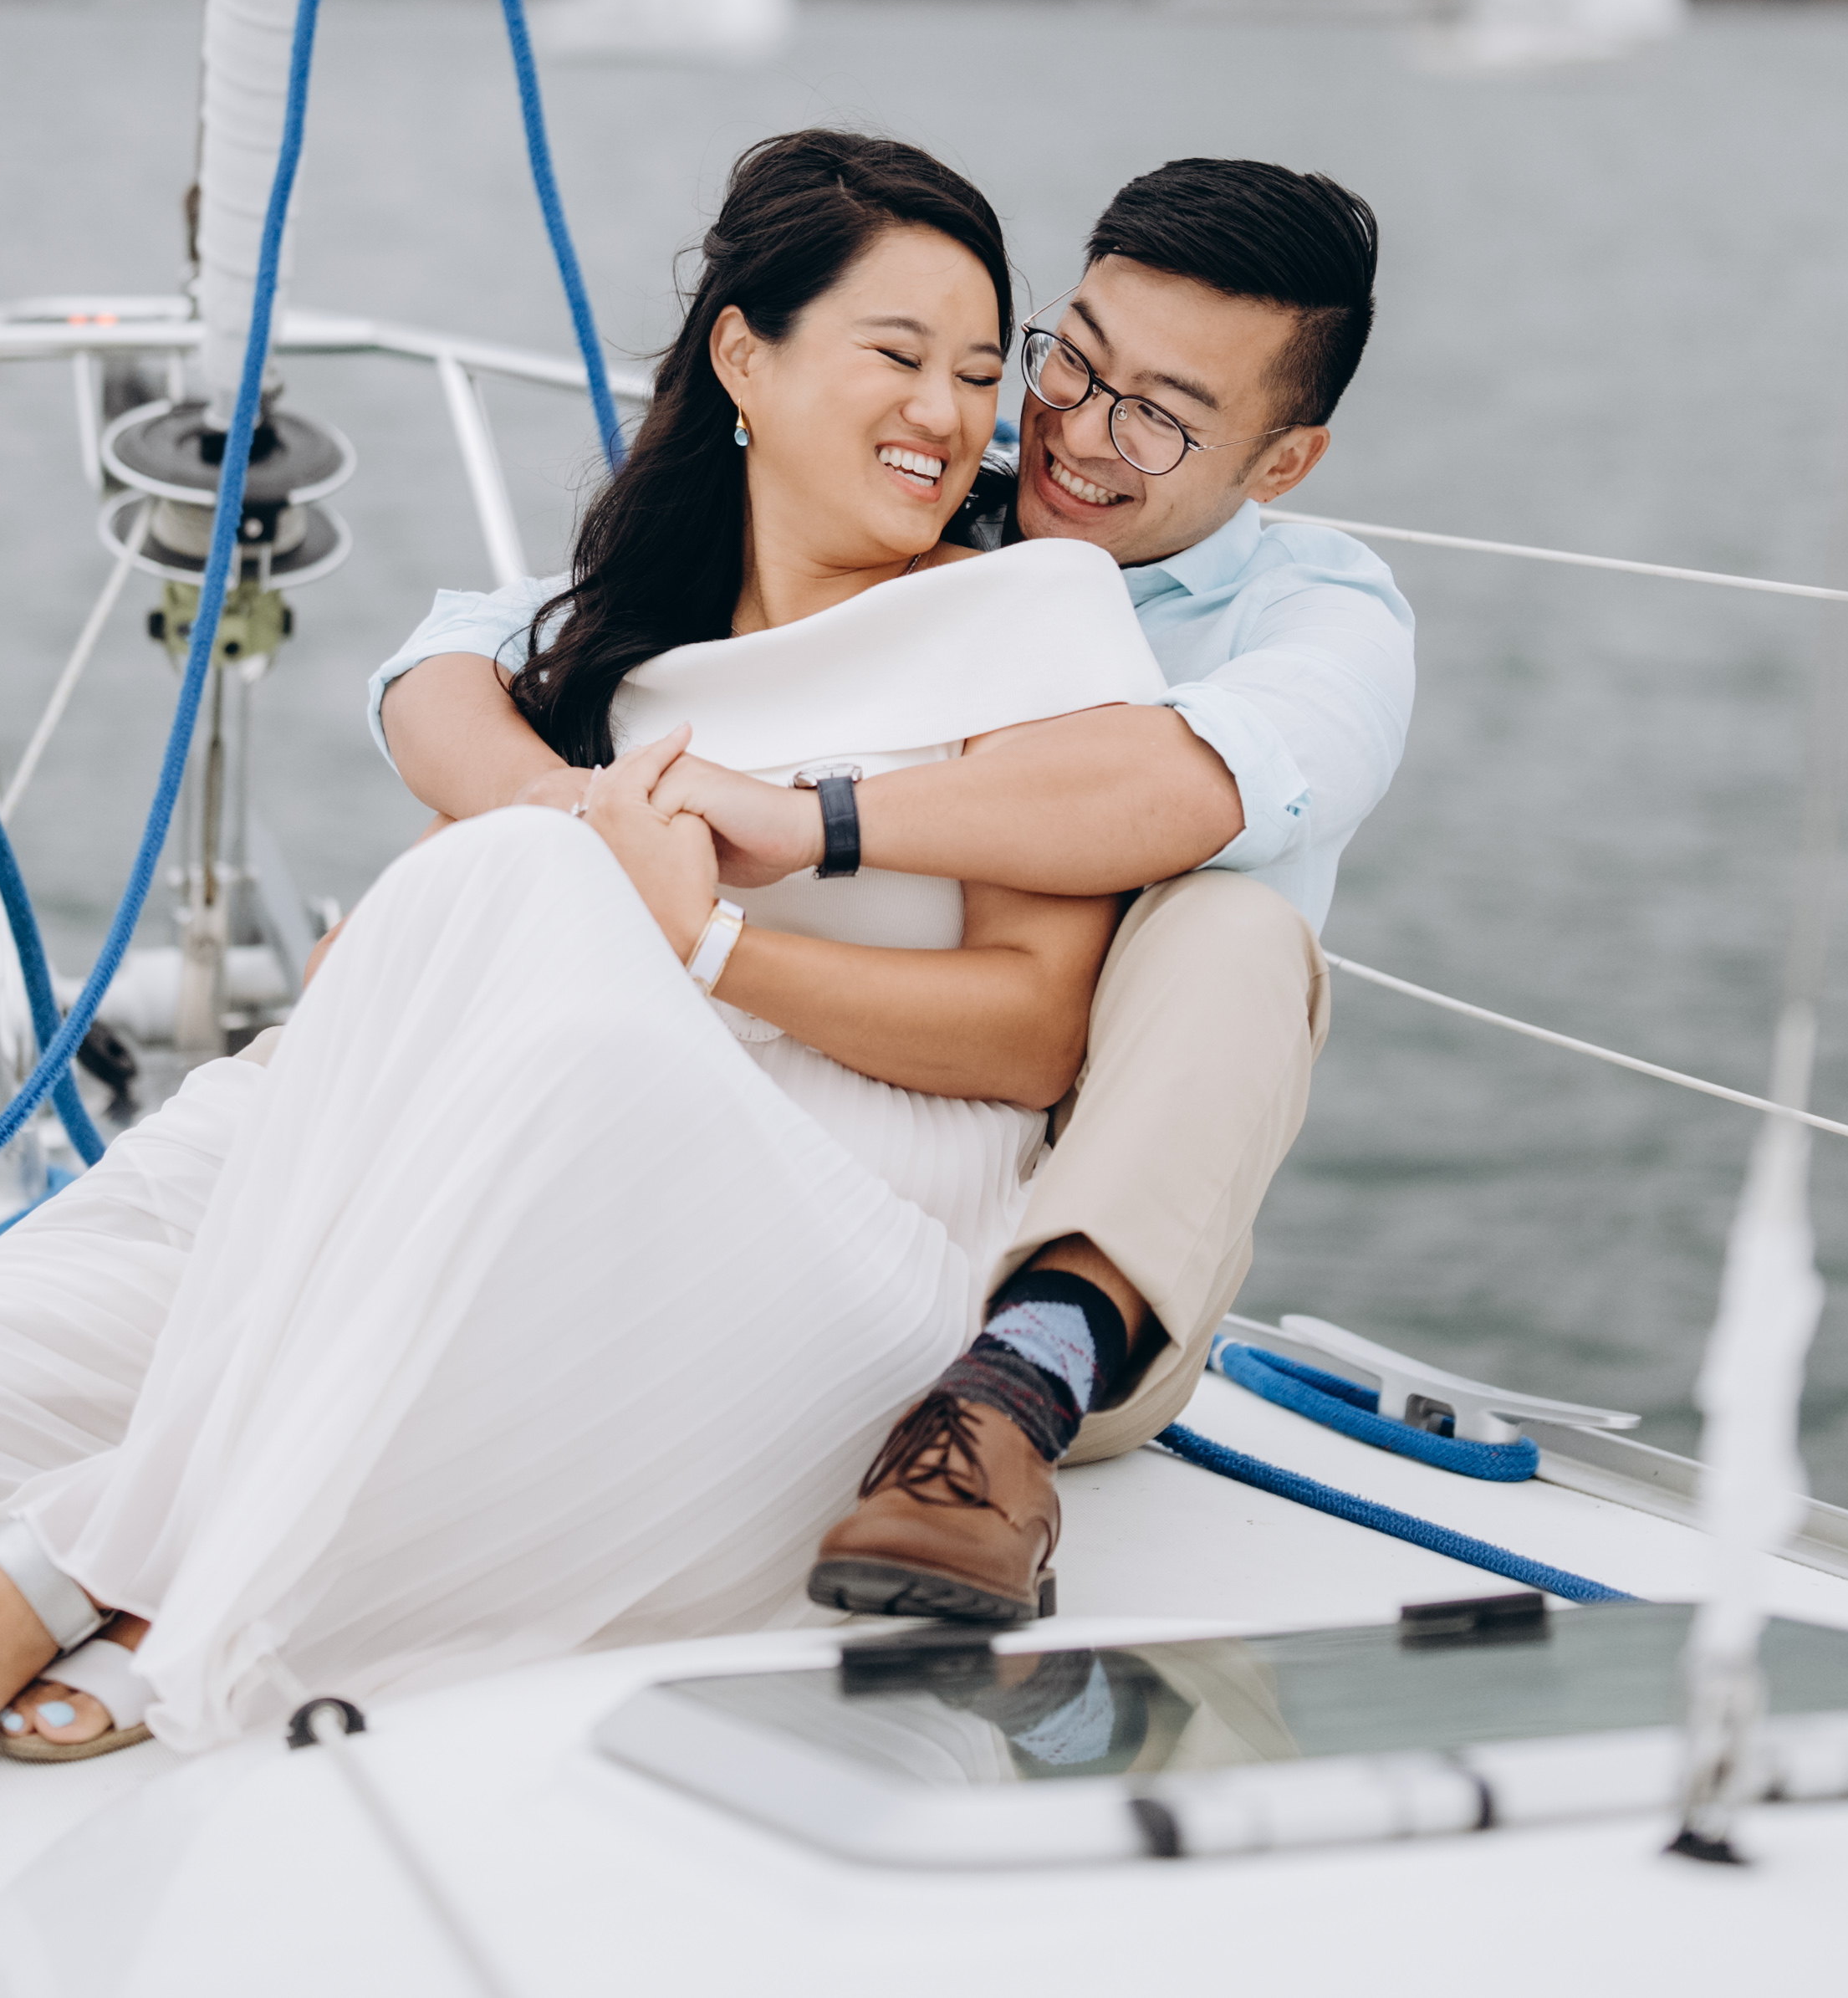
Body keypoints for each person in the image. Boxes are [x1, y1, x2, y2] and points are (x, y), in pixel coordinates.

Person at [0, 131, 1401, 1805]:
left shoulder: (1091, 614)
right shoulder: (640, 639)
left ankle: (68, 1567)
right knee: (245, 1141)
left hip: (904, 1229)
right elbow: (452, 665)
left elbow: (1096, 924)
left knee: (520, 931)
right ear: (745, 358)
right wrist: (514, 878)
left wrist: (704, 914)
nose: (1024, 421)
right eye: (1020, 363)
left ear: (1282, 452)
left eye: (1005, 375)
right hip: (609, 1110)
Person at [375, 151, 1410, 1622]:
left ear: (1282, 463)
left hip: (1078, 1261)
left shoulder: (1319, 615)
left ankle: (1004, 1400)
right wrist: (577, 819)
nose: (1074, 434)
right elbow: (466, 654)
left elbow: (1178, 785)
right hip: (782, 1151)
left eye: (1161, 418)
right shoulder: (925, 505)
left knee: (1230, 930)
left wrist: (814, 822)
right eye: (1065, 364)